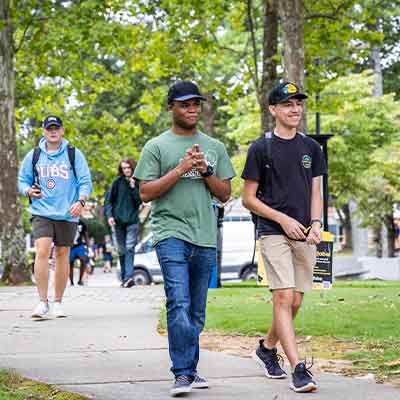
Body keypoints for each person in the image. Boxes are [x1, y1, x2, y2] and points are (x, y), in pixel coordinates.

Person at [134, 80, 236, 397]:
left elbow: (225, 194)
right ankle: (181, 373)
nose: (191, 109)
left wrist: (205, 170)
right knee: (178, 302)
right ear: (171, 108)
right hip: (170, 233)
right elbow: (146, 192)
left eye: (195, 104)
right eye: (184, 104)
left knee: (196, 312)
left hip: (205, 237)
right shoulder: (156, 147)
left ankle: (190, 371)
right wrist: (180, 169)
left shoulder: (214, 147)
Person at [241, 82, 326, 393]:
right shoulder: (260, 148)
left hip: (306, 234)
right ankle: (298, 369)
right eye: (288, 104)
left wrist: (316, 223)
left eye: (298, 104)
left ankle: (266, 348)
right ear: (272, 110)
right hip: (273, 231)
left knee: (297, 301)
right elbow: (248, 198)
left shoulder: (312, 148)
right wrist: (282, 219)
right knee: (283, 297)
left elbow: (316, 192)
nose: (295, 109)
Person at [18, 115, 92, 320]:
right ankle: (43, 302)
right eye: (49, 128)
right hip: (41, 211)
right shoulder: (33, 156)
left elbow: (85, 181)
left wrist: (81, 201)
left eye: (56, 128)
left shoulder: (73, 154)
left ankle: (58, 302)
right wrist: (28, 191)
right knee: (42, 250)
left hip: (67, 212)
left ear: (62, 131)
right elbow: (22, 181)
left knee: (62, 253)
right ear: (43, 131)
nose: (53, 131)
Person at [104, 160, 142, 287]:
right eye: (124, 168)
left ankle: (129, 278)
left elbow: (139, 202)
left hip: (132, 221)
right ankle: (125, 278)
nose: (126, 170)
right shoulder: (117, 183)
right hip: (118, 222)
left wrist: (132, 188)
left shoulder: (137, 183)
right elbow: (109, 201)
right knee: (121, 250)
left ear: (133, 168)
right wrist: (109, 216)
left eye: (128, 168)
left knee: (130, 248)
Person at [69, 219, 90, 286]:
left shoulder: (81, 223)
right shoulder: (67, 220)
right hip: (70, 246)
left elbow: (85, 235)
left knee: (83, 259)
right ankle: (71, 281)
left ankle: (80, 280)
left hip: (79, 245)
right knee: (70, 263)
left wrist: (88, 246)